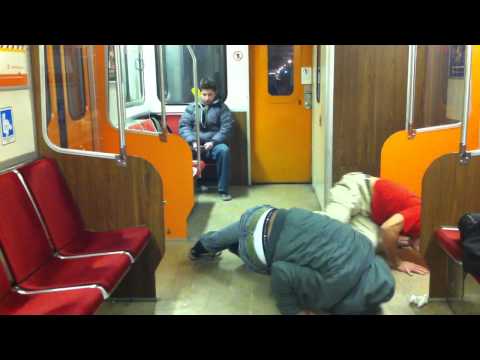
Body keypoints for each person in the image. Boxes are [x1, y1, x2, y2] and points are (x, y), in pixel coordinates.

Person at [189, 205, 395, 315]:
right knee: (253, 252)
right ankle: (235, 245)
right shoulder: (334, 286)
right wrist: (292, 310)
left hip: (264, 212)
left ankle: (206, 245)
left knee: (241, 229)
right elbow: (280, 271)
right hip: (257, 248)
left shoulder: (363, 243)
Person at [322, 172, 429, 276]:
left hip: (368, 215)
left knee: (369, 245)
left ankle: (331, 222)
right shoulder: (422, 213)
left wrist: (404, 240)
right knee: (332, 228)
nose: (420, 251)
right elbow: (388, 228)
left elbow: (392, 229)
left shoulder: (419, 231)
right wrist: (398, 263)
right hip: (358, 189)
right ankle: (308, 220)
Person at [179, 78, 234, 201]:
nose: (207, 98)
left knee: (224, 151)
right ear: (200, 93)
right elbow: (184, 126)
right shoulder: (191, 107)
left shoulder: (222, 108)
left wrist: (213, 142)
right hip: (195, 143)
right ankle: (190, 186)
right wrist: (192, 141)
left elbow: (226, 127)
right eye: (204, 94)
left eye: (210, 95)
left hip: (213, 143)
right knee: (181, 151)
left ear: (215, 94)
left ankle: (223, 190)